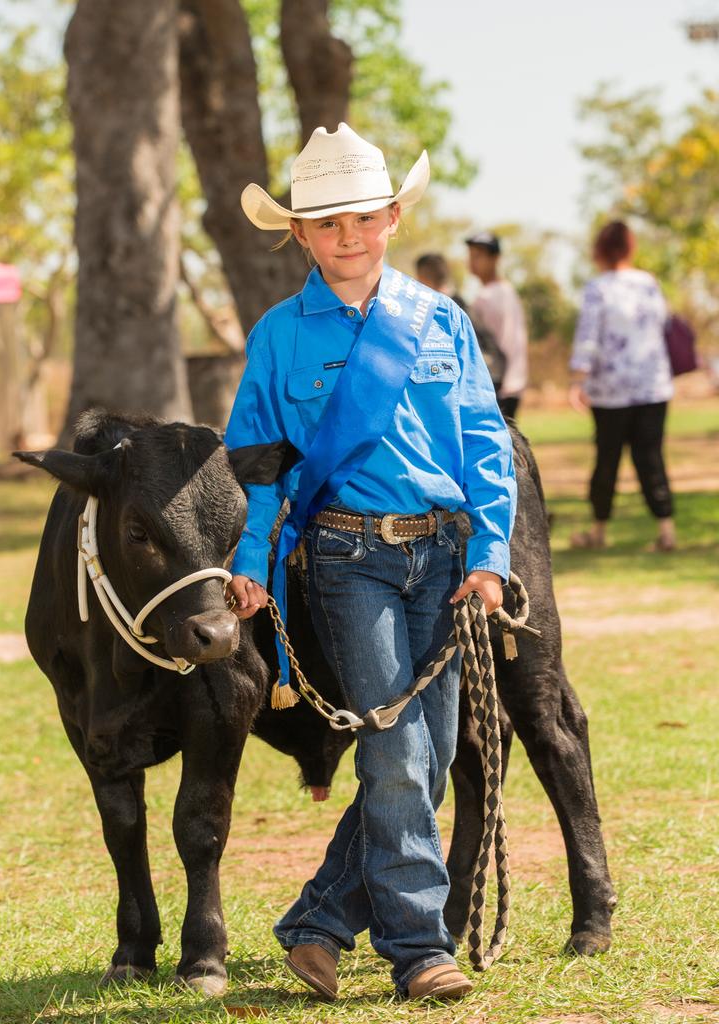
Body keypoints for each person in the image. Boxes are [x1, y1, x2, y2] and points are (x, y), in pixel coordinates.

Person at [224, 123, 516, 1002]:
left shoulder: (442, 320)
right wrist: (249, 557)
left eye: (362, 218)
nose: (347, 237)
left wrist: (493, 554)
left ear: (392, 216)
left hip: (445, 556)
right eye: (326, 225)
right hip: (346, 557)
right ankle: (419, 950)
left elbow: (484, 444)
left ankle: (317, 922)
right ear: (299, 237)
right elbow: (260, 461)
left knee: (422, 762)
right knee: (393, 753)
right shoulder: (278, 335)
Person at [569, 219, 676, 551]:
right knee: (651, 458)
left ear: (600, 249)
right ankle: (666, 530)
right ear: (631, 247)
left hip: (611, 392)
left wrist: (578, 379)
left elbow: (588, 337)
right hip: (652, 387)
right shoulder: (648, 284)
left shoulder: (598, 288)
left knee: (607, 459)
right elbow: (664, 323)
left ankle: (599, 531)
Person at [415, 253, 506, 390]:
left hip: (479, 380)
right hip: (491, 374)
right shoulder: (458, 304)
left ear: (423, 278)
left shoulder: (443, 309)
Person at [465, 231, 528, 418]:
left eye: (478, 256)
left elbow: (506, 342)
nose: (472, 261)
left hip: (500, 384)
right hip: (507, 383)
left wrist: (505, 381)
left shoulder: (492, 296)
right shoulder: (503, 291)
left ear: (495, 259)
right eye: (471, 256)